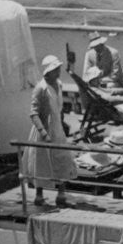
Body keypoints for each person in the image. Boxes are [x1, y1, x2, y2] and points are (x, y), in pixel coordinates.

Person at [24, 54, 77, 208]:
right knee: (41, 162)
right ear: (48, 71)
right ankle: (39, 195)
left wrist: (62, 123)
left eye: (58, 68)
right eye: (55, 69)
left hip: (57, 127)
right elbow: (33, 113)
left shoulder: (59, 84)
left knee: (62, 158)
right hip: (44, 131)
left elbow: (59, 108)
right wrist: (43, 132)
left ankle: (61, 193)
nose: (58, 72)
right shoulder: (40, 88)